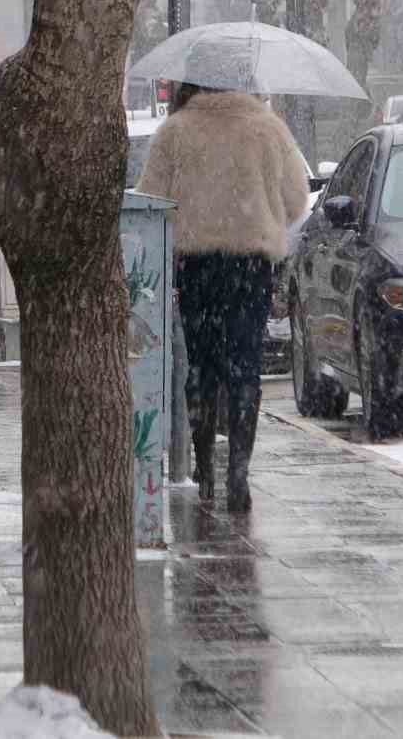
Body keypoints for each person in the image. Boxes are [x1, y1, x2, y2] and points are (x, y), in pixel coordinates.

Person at [136, 81, 309, 512]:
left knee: (202, 364)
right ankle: (239, 471)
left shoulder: (176, 131)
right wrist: (261, 217)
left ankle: (204, 466)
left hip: (197, 263)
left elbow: (151, 199)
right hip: (250, 263)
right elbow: (296, 199)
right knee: (245, 363)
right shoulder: (268, 129)